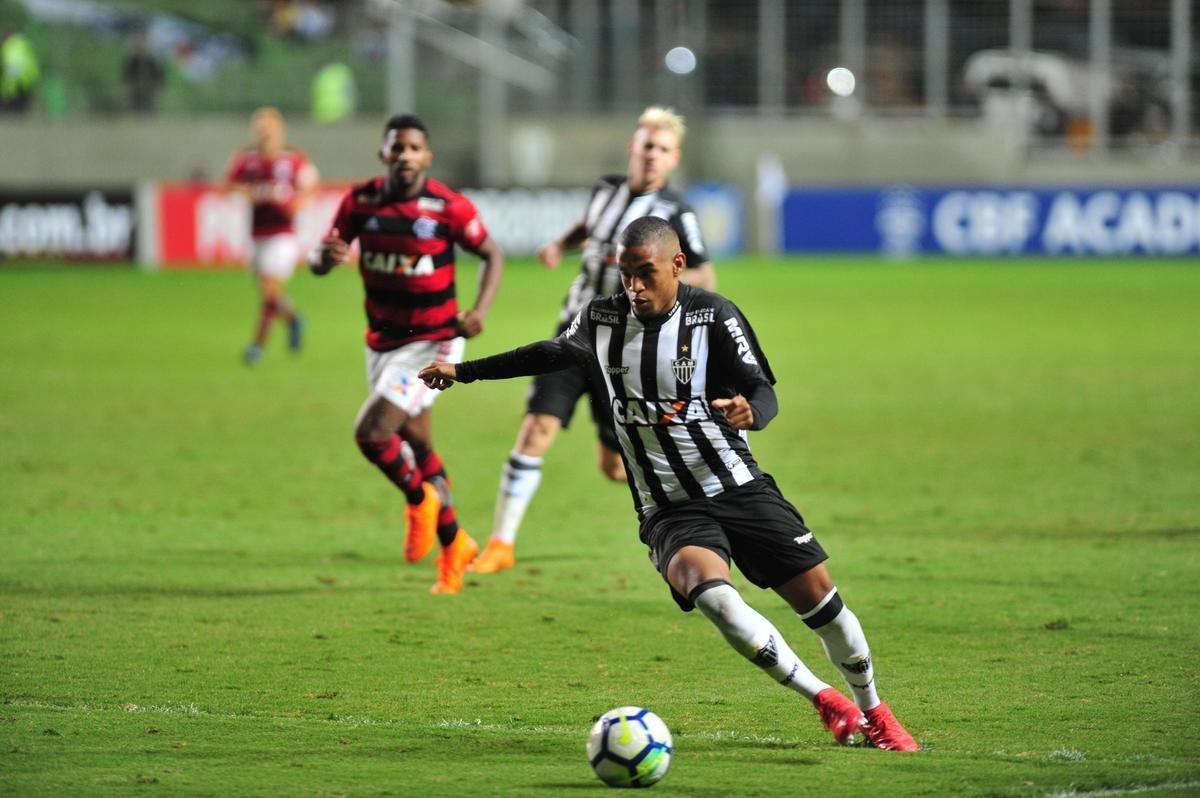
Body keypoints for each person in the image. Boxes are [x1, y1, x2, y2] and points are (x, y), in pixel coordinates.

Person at [418, 217, 918, 750]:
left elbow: (761, 388)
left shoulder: (713, 316)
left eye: (645, 274)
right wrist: (463, 370)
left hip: (738, 487)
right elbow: (550, 353)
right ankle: (825, 700)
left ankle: (874, 711)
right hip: (669, 508)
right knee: (716, 601)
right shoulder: (602, 318)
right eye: (625, 274)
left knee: (824, 607)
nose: (633, 287)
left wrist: (754, 411)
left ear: (676, 266)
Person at [472, 105, 716, 575]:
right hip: (573, 335)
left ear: (674, 158)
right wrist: (559, 244)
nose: (652, 156)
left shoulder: (677, 213)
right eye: (647, 145)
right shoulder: (606, 189)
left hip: (623, 354)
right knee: (536, 428)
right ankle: (501, 544)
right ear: (633, 147)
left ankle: (691, 510)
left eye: (663, 150)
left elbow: (703, 271)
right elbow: (591, 225)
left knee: (615, 466)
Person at [311, 114, 504, 595]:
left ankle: (420, 500)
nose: (405, 155)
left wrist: (478, 311)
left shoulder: (447, 206)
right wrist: (323, 259)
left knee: (373, 433)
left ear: (427, 156)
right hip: (382, 342)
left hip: (433, 341)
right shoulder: (359, 202)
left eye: (414, 147)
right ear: (383, 154)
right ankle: (454, 544)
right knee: (417, 444)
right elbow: (323, 257)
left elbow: (492, 255)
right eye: (396, 147)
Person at [223, 107, 318, 365]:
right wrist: (251, 193)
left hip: (283, 235)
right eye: (260, 127)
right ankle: (294, 319)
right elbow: (229, 184)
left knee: (268, 288)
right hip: (257, 234)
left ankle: (257, 346)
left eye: (269, 127)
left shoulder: (294, 159)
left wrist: (294, 203)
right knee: (270, 294)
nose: (264, 133)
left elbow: (310, 189)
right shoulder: (246, 158)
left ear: (279, 130)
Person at [122, 34, 164, 114]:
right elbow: (127, 74)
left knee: (149, 106)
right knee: (136, 107)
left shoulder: (151, 60)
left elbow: (158, 74)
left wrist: (157, 84)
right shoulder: (134, 60)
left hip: (149, 87)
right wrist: (127, 86)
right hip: (136, 86)